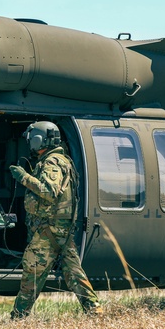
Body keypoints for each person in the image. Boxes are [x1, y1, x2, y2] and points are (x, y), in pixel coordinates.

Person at [8, 121, 101, 318]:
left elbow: (49, 192)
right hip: (62, 229)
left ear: (38, 140)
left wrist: (23, 177)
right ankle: (94, 310)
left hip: (48, 229)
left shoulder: (51, 162)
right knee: (74, 272)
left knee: (32, 272)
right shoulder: (63, 160)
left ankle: (18, 316)